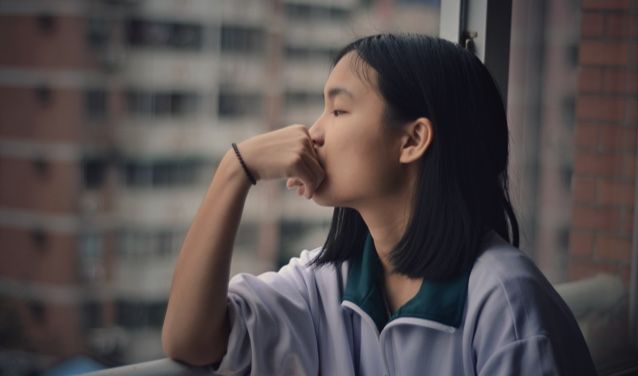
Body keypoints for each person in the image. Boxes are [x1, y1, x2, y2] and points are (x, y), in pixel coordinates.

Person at [161, 33, 597, 375]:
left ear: (412, 140)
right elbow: (191, 340)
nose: (312, 134)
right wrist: (235, 169)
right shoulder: (327, 285)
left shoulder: (506, 302)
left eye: (338, 111)